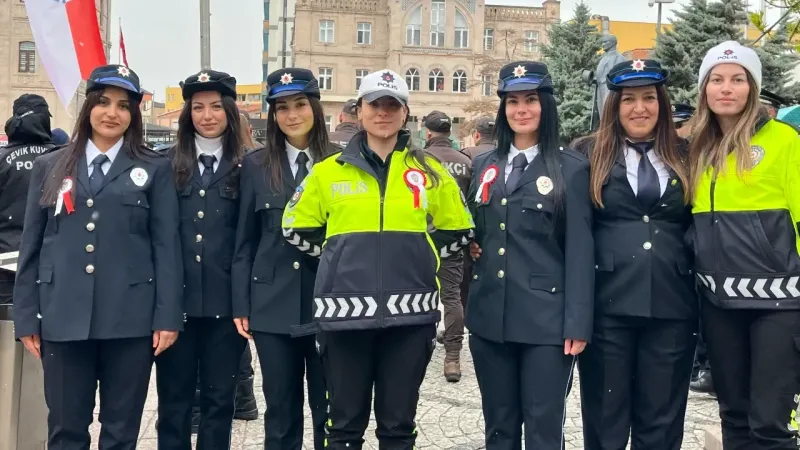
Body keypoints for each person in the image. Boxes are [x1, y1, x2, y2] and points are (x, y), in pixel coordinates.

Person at [281, 68, 474, 450]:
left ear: (405, 113)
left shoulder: (431, 172)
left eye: (392, 105)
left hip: (410, 319)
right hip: (343, 318)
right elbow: (294, 227)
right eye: (375, 104)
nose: (383, 113)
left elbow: (460, 230)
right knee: (344, 428)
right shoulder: (327, 172)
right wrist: (338, 259)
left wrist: (424, 260)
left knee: (399, 427)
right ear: (360, 110)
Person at [13, 64, 182, 449]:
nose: (112, 113)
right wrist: (27, 317)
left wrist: (167, 315)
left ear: (134, 114)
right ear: (89, 106)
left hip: (130, 320)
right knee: (66, 430)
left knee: (121, 432)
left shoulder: (155, 169)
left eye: (124, 105)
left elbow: (166, 247)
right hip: (63, 317)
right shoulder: (50, 166)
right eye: (103, 102)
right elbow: (33, 246)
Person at [466, 61, 593, 450]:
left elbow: (580, 249)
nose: (522, 109)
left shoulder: (571, 168)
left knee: (542, 428)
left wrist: (577, 323)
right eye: (513, 101)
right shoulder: (485, 165)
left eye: (532, 100)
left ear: (546, 105)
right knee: (499, 427)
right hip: (491, 318)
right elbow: (480, 232)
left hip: (546, 321)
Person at [574, 59, 698, 450]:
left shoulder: (688, 154)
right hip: (607, 305)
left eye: (648, 98)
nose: (639, 108)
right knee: (606, 418)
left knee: (661, 420)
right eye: (628, 99)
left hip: (673, 304)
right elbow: (571, 229)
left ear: (661, 104)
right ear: (614, 105)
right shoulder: (587, 154)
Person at [689, 41, 800, 449]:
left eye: (738, 80)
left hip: (779, 304)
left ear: (752, 88)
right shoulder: (700, 148)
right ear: (704, 90)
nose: (726, 88)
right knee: (733, 416)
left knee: (770, 425)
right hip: (719, 305)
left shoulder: (785, 141)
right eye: (716, 80)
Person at [233, 68, 333, 450]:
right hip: (273, 304)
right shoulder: (255, 167)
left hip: (330, 303)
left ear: (315, 108)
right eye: (282, 107)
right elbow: (244, 242)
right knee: (281, 410)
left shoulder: (341, 162)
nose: (292, 115)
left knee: (331, 407)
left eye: (300, 104)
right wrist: (242, 303)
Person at [154, 69, 248, 448]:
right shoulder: (164, 164)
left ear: (229, 111)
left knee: (219, 402)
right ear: (187, 113)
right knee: (173, 403)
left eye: (215, 107)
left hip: (226, 308)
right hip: (176, 306)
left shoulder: (249, 165)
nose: (207, 116)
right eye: (197, 108)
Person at [422, 110, 472, 382]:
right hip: (453, 239)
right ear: (449, 132)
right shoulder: (465, 160)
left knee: (419, 295)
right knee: (451, 296)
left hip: (421, 238)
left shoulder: (419, 160)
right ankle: (453, 357)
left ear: (427, 132)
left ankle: (417, 348)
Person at [0, 94, 56, 304]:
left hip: (6, 264)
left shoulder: (2, 159)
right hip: (51, 265)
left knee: (7, 330)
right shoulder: (64, 158)